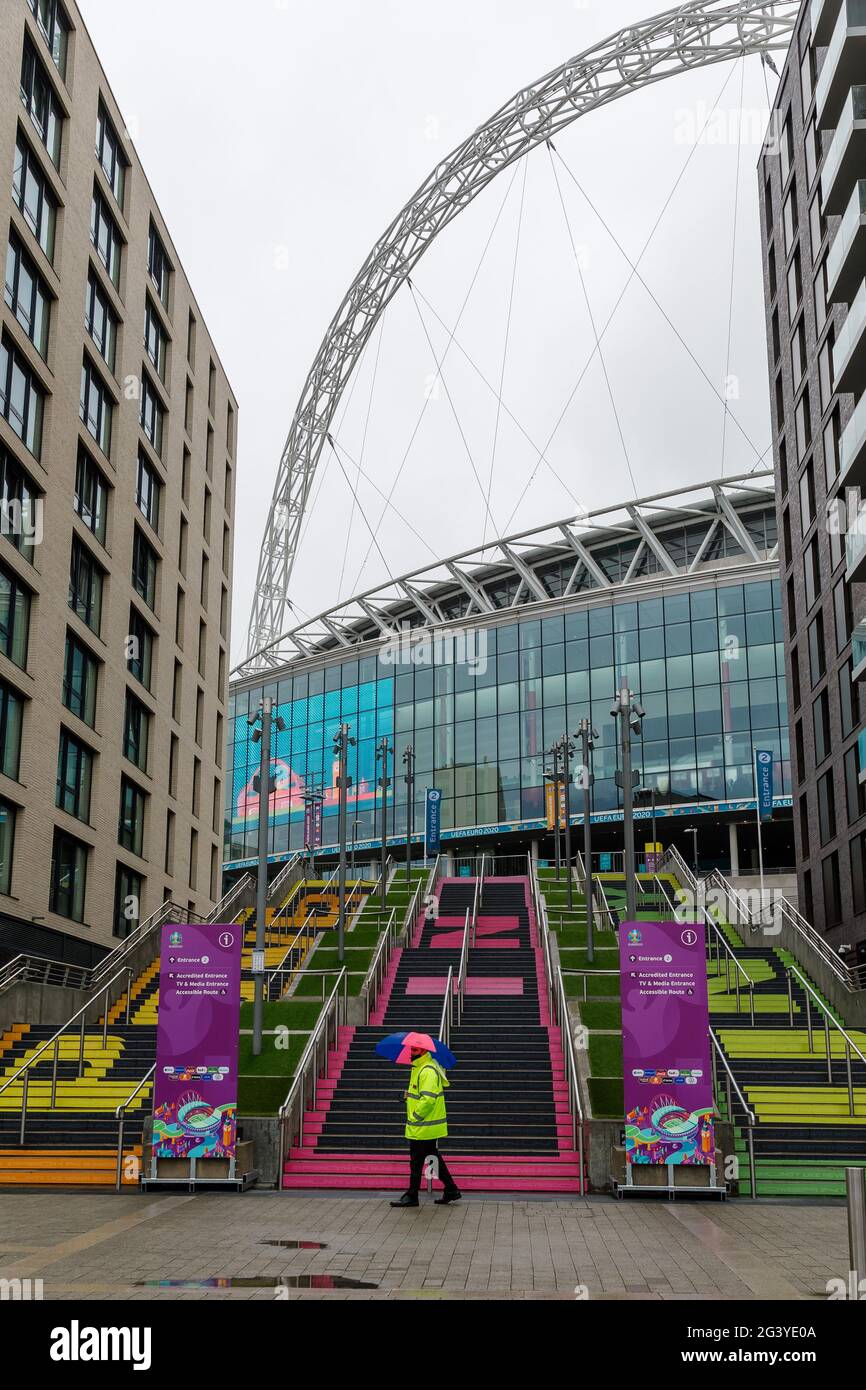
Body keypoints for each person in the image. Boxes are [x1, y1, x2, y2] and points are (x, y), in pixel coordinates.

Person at [390, 1045, 461, 1207]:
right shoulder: (420, 1068)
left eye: (414, 1050)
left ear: (424, 1051)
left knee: (416, 1160)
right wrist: (409, 1097)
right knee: (432, 1157)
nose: (411, 1053)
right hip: (426, 1125)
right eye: (411, 1050)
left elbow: (428, 1100)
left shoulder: (427, 1071)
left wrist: (415, 1116)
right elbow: (423, 1095)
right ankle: (451, 1189)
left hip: (423, 1125)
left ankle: (412, 1195)